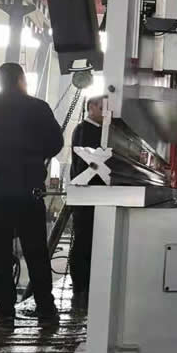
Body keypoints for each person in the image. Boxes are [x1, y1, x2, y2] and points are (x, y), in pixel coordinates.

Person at [0, 62, 63, 328]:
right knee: (35, 251)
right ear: (22, 80)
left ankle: (5, 313)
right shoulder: (37, 107)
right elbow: (56, 143)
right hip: (26, 189)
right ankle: (45, 310)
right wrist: (36, 154)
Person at [69, 96, 103, 310]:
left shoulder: (100, 130)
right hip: (86, 195)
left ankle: (88, 287)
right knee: (83, 243)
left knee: (92, 242)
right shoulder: (83, 130)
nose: (106, 112)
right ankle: (80, 290)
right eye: (102, 107)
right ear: (91, 107)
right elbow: (86, 165)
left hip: (95, 194)